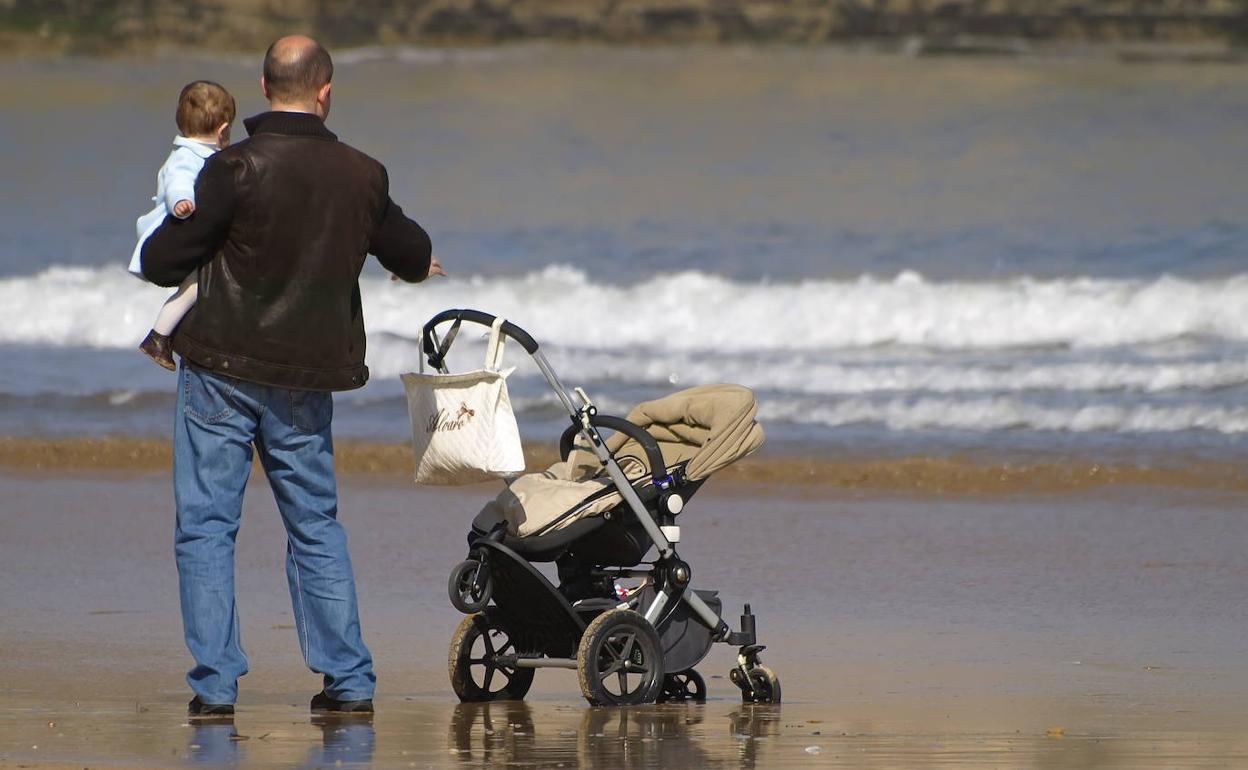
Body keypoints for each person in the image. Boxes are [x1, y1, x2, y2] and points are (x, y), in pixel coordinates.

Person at [141, 35, 445, 719]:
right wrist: (407, 256)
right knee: (314, 525)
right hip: (306, 377)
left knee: (207, 528)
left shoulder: (232, 168)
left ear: (263, 84)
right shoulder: (362, 174)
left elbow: (166, 261)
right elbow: (413, 250)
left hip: (219, 367)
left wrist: (175, 221)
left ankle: (216, 687)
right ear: (325, 92)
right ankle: (350, 681)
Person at [129, 80, 236, 371]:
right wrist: (182, 201)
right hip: (169, 232)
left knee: (195, 285)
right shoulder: (186, 156)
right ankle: (158, 337)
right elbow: (178, 180)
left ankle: (165, 334)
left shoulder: (203, 154)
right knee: (198, 284)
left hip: (182, 234)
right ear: (223, 130)